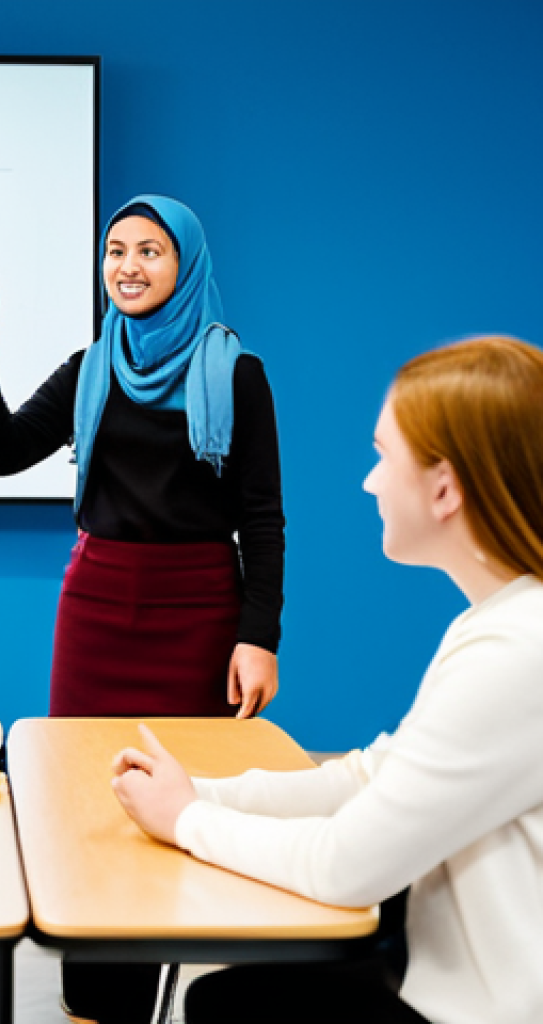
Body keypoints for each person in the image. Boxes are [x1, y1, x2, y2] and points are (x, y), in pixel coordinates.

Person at [112, 334, 543, 1024]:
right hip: (437, 977)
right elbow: (368, 778)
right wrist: (201, 795)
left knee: (228, 1006)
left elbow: (347, 868)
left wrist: (188, 821)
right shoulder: (498, 623)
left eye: (382, 457)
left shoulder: (517, 653)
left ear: (444, 488)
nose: (369, 481)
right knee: (228, 997)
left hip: (475, 1010)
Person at [0, 195, 285, 1023]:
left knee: (177, 796)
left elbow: (263, 518)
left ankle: (160, 977)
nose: (128, 267)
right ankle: (91, 999)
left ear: (186, 264)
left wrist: (258, 637)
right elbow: (2, 454)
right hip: (96, 607)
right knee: (85, 799)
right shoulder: (92, 365)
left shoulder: (236, 372)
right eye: (116, 251)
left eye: (150, 251)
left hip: (199, 608)